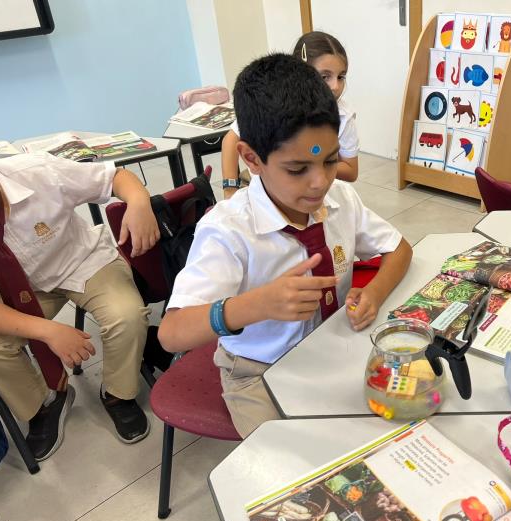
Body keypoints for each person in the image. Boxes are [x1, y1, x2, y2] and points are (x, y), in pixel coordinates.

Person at [159, 54, 411, 438]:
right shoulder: (228, 230)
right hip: (258, 372)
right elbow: (172, 332)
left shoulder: (340, 199)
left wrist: (374, 292)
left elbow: (399, 249)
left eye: (330, 161)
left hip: (331, 345)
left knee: (393, 423)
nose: (320, 182)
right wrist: (256, 305)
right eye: (298, 169)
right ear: (252, 158)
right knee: (298, 460)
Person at [0, 153, 159, 461]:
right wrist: (48, 331)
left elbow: (114, 177)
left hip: (81, 262)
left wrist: (139, 202)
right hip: (14, 289)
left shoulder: (36, 172)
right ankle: (44, 404)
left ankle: (117, 394)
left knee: (126, 315)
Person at [221, 31, 359, 199]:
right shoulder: (273, 103)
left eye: (341, 77)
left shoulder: (344, 117)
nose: (335, 86)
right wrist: (229, 189)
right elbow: (231, 140)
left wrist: (315, 165)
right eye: (325, 76)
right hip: (262, 187)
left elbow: (351, 170)